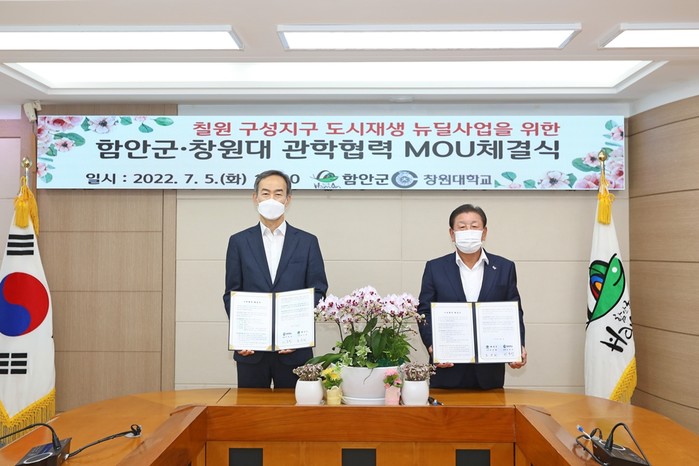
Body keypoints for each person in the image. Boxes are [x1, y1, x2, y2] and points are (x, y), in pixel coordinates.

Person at [223, 169, 328, 388]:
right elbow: (232, 294)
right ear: (255, 198)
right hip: (251, 351)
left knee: (293, 409)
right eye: (265, 193)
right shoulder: (239, 242)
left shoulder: (307, 242)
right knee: (251, 408)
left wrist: (298, 334)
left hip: (294, 350)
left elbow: (318, 290)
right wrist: (242, 336)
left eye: (278, 194)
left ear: (288, 199)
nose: (271, 199)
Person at [418, 203, 527, 389]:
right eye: (462, 227)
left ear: (484, 232)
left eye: (474, 226)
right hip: (447, 369)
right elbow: (424, 312)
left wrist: (517, 347)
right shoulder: (435, 268)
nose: (468, 231)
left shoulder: (504, 267)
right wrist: (432, 346)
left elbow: (513, 311)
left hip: (489, 372)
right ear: (452, 233)